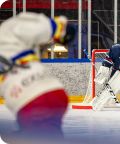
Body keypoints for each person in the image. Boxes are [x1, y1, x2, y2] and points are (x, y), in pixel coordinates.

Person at [0, 12, 75, 143]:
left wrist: (59, 28)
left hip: (35, 96)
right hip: (41, 94)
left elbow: (54, 27)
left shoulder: (6, 32)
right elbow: (57, 27)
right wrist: (59, 28)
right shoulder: (7, 32)